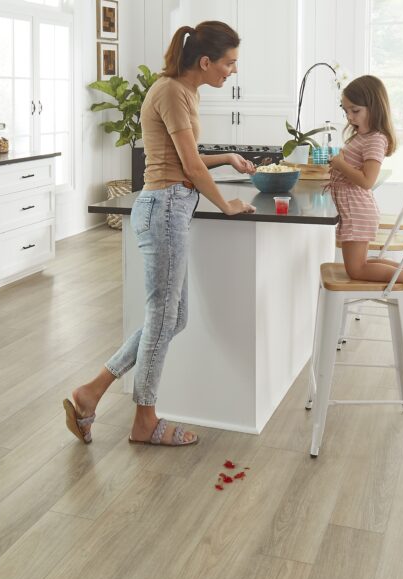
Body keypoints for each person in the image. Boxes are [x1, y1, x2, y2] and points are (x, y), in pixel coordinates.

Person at [63, 21, 256, 447]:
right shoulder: (170, 91)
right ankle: (144, 420)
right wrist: (226, 204)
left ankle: (90, 391)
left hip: (170, 207)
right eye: (229, 63)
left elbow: (181, 154)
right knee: (164, 317)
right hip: (165, 208)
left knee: (171, 318)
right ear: (205, 62)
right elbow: (187, 166)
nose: (233, 71)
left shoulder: (186, 91)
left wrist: (227, 157)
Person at [329, 75, 403, 311]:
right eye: (346, 111)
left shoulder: (375, 140)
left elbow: (367, 181)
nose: (349, 117)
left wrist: (339, 164)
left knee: (356, 269)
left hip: (357, 210)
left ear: (374, 107)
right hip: (355, 209)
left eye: (355, 111)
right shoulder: (363, 136)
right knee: (363, 263)